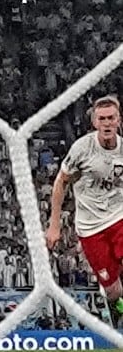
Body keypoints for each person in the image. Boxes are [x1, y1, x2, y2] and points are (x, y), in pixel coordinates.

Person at [45, 93, 123, 325]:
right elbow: (61, 182)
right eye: (102, 119)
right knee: (112, 289)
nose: (107, 123)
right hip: (90, 228)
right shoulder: (82, 149)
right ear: (94, 122)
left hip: (119, 216)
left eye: (111, 118)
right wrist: (54, 225)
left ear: (119, 120)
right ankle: (115, 303)